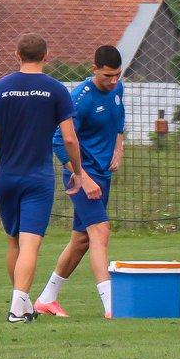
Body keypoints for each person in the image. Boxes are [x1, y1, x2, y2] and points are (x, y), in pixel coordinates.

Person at [0, 33, 100, 323]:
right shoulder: (56, 90)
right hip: (38, 178)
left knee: (14, 242)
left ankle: (21, 303)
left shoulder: (0, 88)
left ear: (17, 55)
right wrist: (77, 171)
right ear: (47, 56)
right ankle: (17, 308)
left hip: (6, 177)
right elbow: (70, 139)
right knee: (30, 244)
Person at [36, 45, 126, 319]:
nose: (113, 81)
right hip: (81, 177)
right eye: (107, 76)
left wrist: (118, 146)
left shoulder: (117, 89)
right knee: (100, 232)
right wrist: (82, 177)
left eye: (117, 75)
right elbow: (59, 143)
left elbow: (119, 120)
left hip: (102, 175)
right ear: (94, 69)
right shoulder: (80, 99)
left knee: (81, 240)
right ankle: (112, 307)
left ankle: (46, 299)